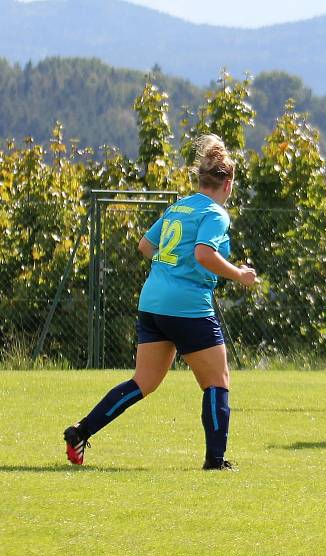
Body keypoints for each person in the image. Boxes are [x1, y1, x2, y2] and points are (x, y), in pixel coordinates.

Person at [63, 134, 257, 470]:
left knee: (143, 381)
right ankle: (215, 461)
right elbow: (203, 254)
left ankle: (81, 430)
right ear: (228, 183)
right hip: (188, 305)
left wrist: (169, 268)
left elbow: (145, 245)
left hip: (153, 301)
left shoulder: (178, 207)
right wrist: (239, 275)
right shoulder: (216, 213)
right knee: (216, 381)